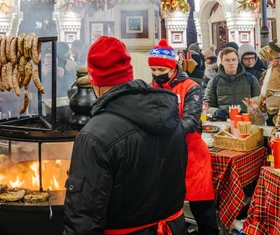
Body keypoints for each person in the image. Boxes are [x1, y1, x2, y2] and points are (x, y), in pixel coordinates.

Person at [64, 36, 188, 235]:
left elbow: (84, 218)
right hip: (173, 229)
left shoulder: (94, 135)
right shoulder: (171, 117)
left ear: (94, 82)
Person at [149, 39, 217, 235]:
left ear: (172, 67)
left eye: (161, 70)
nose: (157, 75)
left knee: (204, 214)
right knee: (168, 214)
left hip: (192, 156)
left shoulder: (191, 87)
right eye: (153, 70)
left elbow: (190, 121)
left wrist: (161, 132)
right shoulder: (149, 88)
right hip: (164, 158)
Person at [204, 47, 261, 118]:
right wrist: (216, 111)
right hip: (223, 123)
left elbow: (259, 102)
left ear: (238, 61)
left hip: (246, 122)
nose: (231, 63)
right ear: (221, 61)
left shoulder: (251, 79)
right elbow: (206, 105)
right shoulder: (214, 82)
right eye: (227, 60)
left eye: (234, 60)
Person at [258, 42, 280, 131]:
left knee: (278, 118)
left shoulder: (273, 67)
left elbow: (266, 84)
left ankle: (278, 132)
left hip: (275, 96)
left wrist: (262, 96)